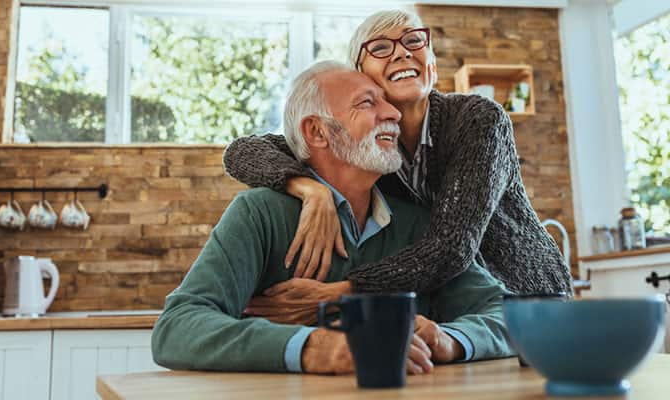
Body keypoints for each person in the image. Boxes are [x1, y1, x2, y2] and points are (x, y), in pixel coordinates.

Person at [152, 61, 513, 374]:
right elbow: (177, 328)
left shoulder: (418, 225)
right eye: (367, 103)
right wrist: (315, 347)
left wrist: (449, 338)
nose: (394, 114)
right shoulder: (259, 214)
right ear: (317, 132)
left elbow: (508, 315)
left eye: (387, 102)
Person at [222, 9, 572, 313]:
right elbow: (242, 151)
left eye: (413, 42)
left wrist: (343, 293)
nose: (402, 53)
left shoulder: (479, 121)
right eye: (380, 47)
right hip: (451, 306)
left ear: (431, 64)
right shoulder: (366, 148)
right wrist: (311, 190)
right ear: (360, 74)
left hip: (527, 297)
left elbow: (451, 247)